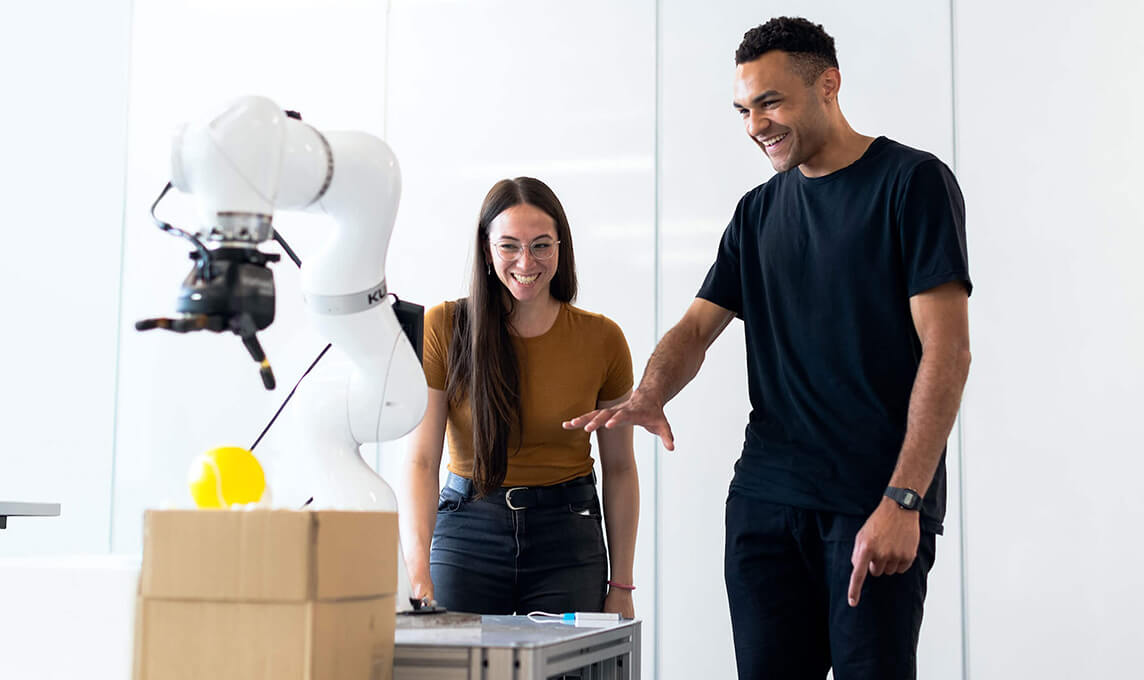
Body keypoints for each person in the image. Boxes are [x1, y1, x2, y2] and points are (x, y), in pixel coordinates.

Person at [565, 16, 971, 679]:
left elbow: (948, 353)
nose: (756, 124)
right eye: (744, 109)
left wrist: (906, 500)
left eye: (770, 102)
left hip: (873, 503)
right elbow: (695, 330)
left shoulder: (911, 183)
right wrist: (650, 393)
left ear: (828, 85)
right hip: (765, 504)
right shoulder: (756, 212)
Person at [401, 176, 639, 618]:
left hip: (568, 534)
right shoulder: (444, 327)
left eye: (541, 245)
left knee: (569, 658)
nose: (526, 261)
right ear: (487, 250)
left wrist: (621, 584)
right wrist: (417, 571)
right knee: (454, 656)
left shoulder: (603, 339)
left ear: (561, 248)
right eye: (509, 246)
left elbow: (621, 468)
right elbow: (421, 461)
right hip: (468, 528)